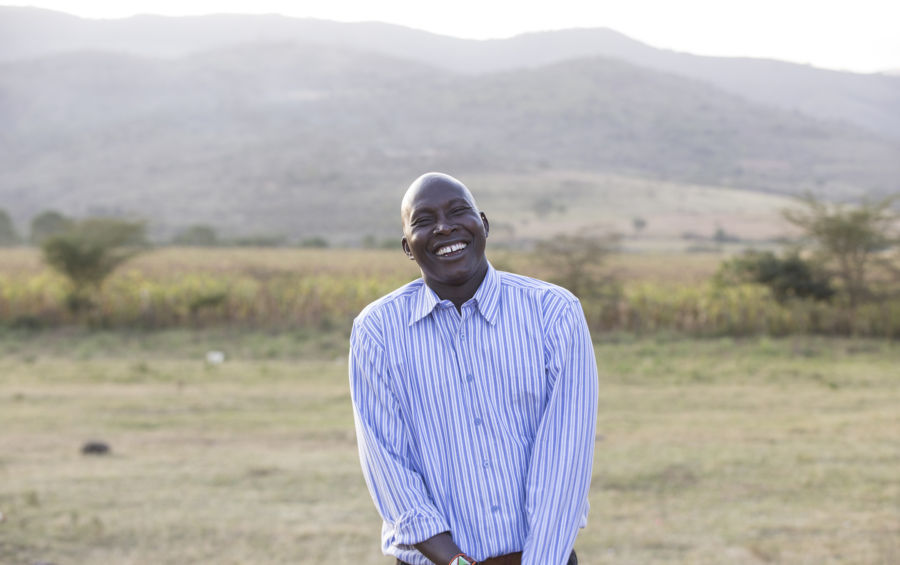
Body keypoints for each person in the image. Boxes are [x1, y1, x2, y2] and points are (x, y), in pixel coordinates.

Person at [349, 172, 598, 565]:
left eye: (457, 212)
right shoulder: (377, 331)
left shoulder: (555, 313)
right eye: (424, 220)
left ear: (483, 224)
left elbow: (565, 460)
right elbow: (388, 467)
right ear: (407, 248)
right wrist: (457, 563)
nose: (444, 227)